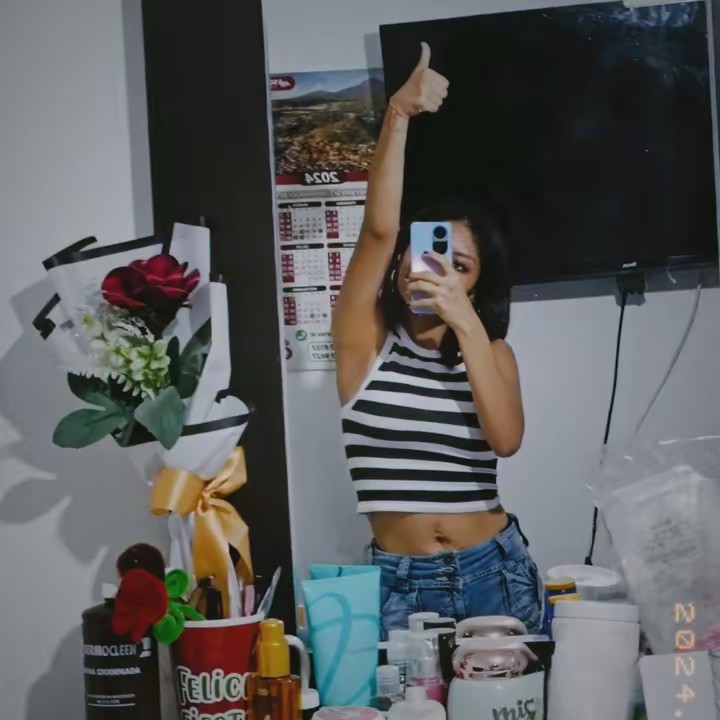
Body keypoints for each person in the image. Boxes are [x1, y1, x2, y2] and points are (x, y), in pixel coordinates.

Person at [332, 43, 542, 635]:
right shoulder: (364, 343)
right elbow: (377, 232)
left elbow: (506, 440)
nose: (431, 269)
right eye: (423, 250)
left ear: (477, 285)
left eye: (458, 265)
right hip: (398, 583)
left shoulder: (491, 352)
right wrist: (397, 114)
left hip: (494, 570)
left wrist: (466, 323)